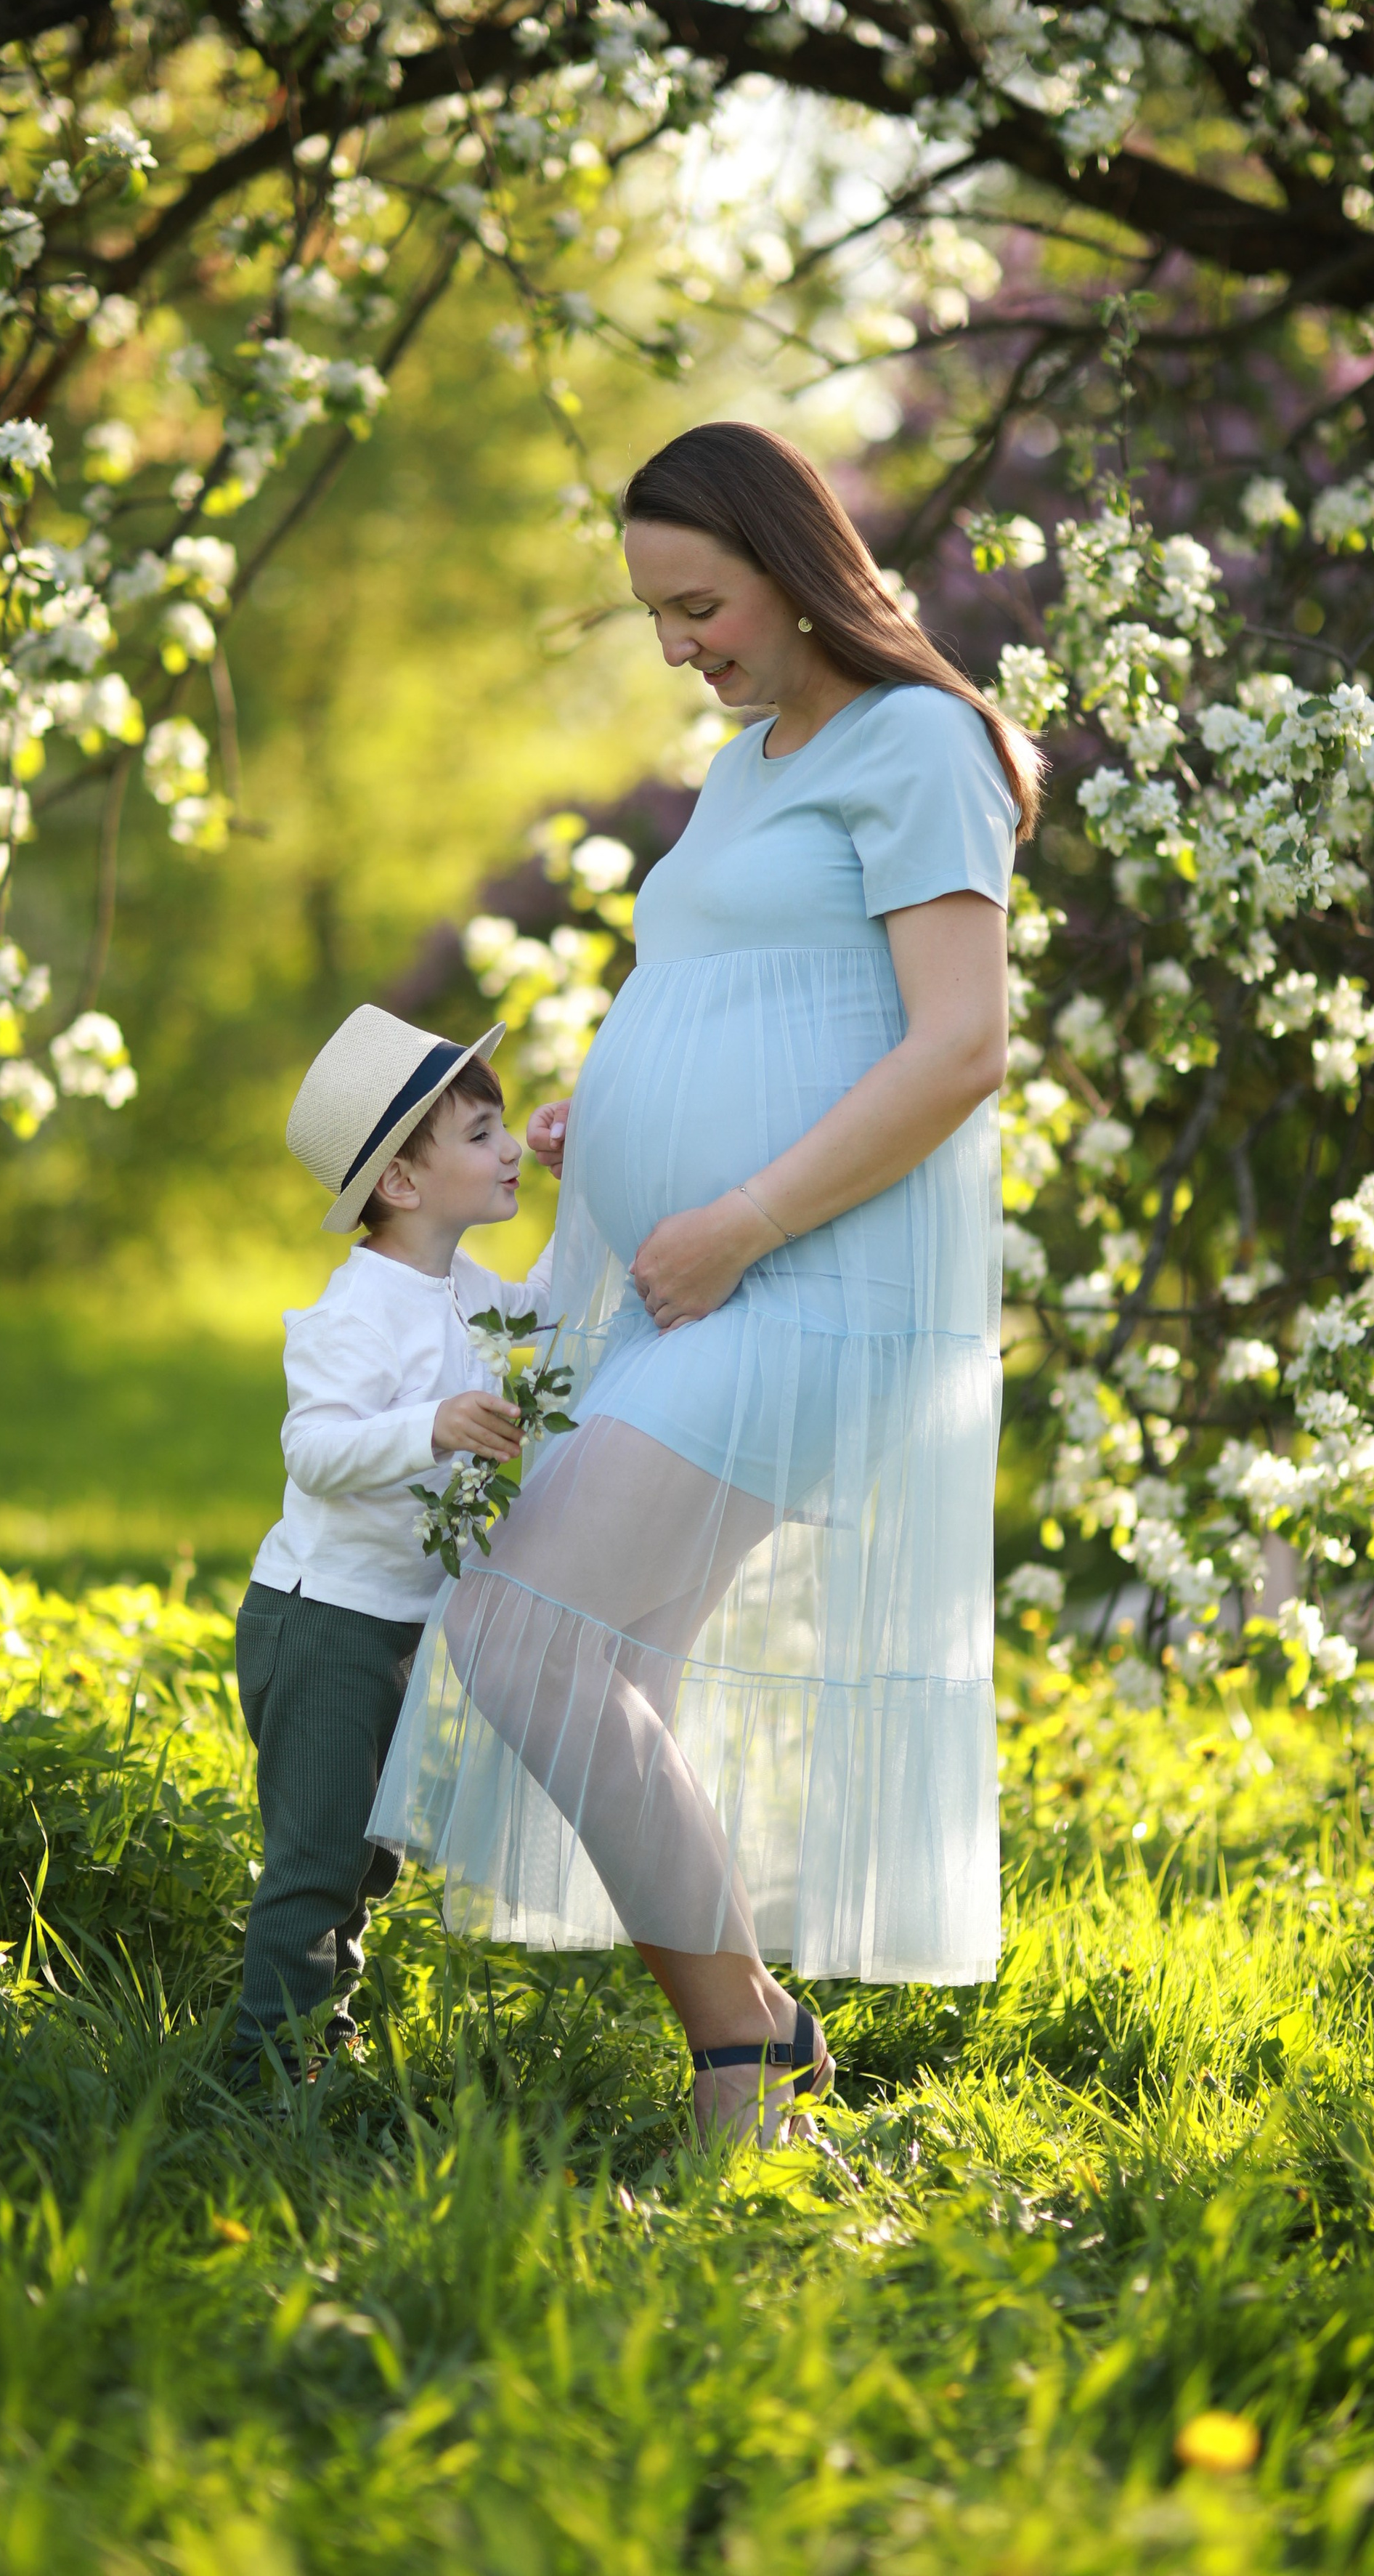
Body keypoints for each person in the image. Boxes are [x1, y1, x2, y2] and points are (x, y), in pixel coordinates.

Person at [368, 421, 1039, 2144]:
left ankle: (747, 2051)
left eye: (698, 604)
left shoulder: (920, 744)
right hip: (714, 1281)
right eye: (657, 620)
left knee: (526, 1634)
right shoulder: (757, 761)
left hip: (818, 1288)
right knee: (592, 1654)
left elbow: (960, 1047)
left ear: (792, 563)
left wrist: (733, 1211)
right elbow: (772, 994)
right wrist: (638, 1106)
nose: (680, 649)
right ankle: (755, 2047)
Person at [230, 1005, 554, 2086]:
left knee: (370, 1857)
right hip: (322, 1621)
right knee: (318, 1857)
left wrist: (589, 1176)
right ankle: (257, 2076)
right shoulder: (356, 1307)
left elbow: (554, 1314)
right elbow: (313, 1448)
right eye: (479, 1135)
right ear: (402, 1185)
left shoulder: (469, 1291)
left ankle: (323, 2034)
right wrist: (430, 1427)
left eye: (503, 1129)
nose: (507, 1149)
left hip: (402, 1621)